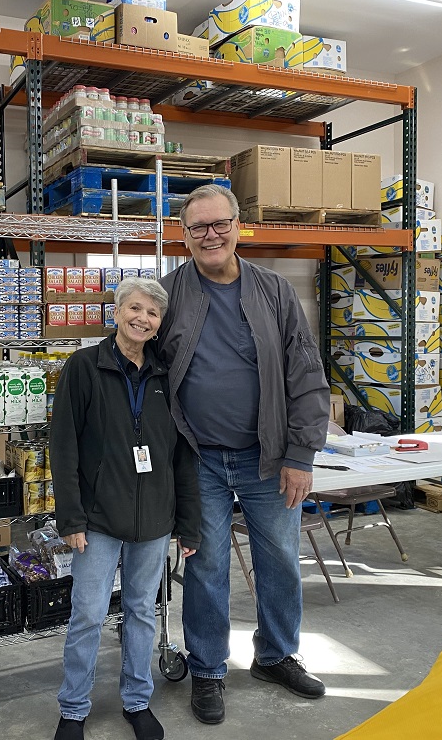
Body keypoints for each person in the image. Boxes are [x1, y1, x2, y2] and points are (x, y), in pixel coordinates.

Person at [157, 184, 331, 725]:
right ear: (183, 236)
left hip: (270, 456)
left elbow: (306, 373)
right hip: (199, 458)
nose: (210, 235)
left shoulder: (274, 291)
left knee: (279, 559)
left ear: (238, 226)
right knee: (205, 566)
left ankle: (276, 655)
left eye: (219, 225)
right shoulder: (167, 295)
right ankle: (208, 669)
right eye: (198, 228)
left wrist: (301, 453)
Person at [50, 276, 202, 740]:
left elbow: (182, 453)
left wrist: (187, 525)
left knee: (141, 612)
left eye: (152, 313)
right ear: (115, 313)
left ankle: (138, 702)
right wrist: (71, 517)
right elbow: (64, 446)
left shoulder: (165, 376)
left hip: (154, 519)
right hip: (97, 520)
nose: (142, 318)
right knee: (89, 615)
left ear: (159, 324)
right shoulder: (83, 367)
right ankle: (73, 709)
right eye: (134, 309)